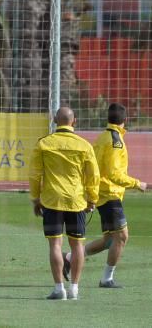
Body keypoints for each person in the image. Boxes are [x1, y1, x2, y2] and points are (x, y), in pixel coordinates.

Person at [62, 103, 147, 287]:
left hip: (102, 193)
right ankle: (107, 279)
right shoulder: (116, 141)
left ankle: (68, 258)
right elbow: (113, 173)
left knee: (110, 240)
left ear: (107, 119)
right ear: (126, 120)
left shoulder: (102, 137)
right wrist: (137, 184)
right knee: (122, 237)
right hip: (109, 194)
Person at [29, 107, 100, 300]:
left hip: (52, 201)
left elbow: (35, 174)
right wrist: (92, 198)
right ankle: (74, 289)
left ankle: (59, 288)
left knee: (55, 245)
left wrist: (36, 198)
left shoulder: (44, 144)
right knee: (77, 245)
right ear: (74, 122)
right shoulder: (84, 145)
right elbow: (93, 175)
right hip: (76, 201)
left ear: (54, 120)